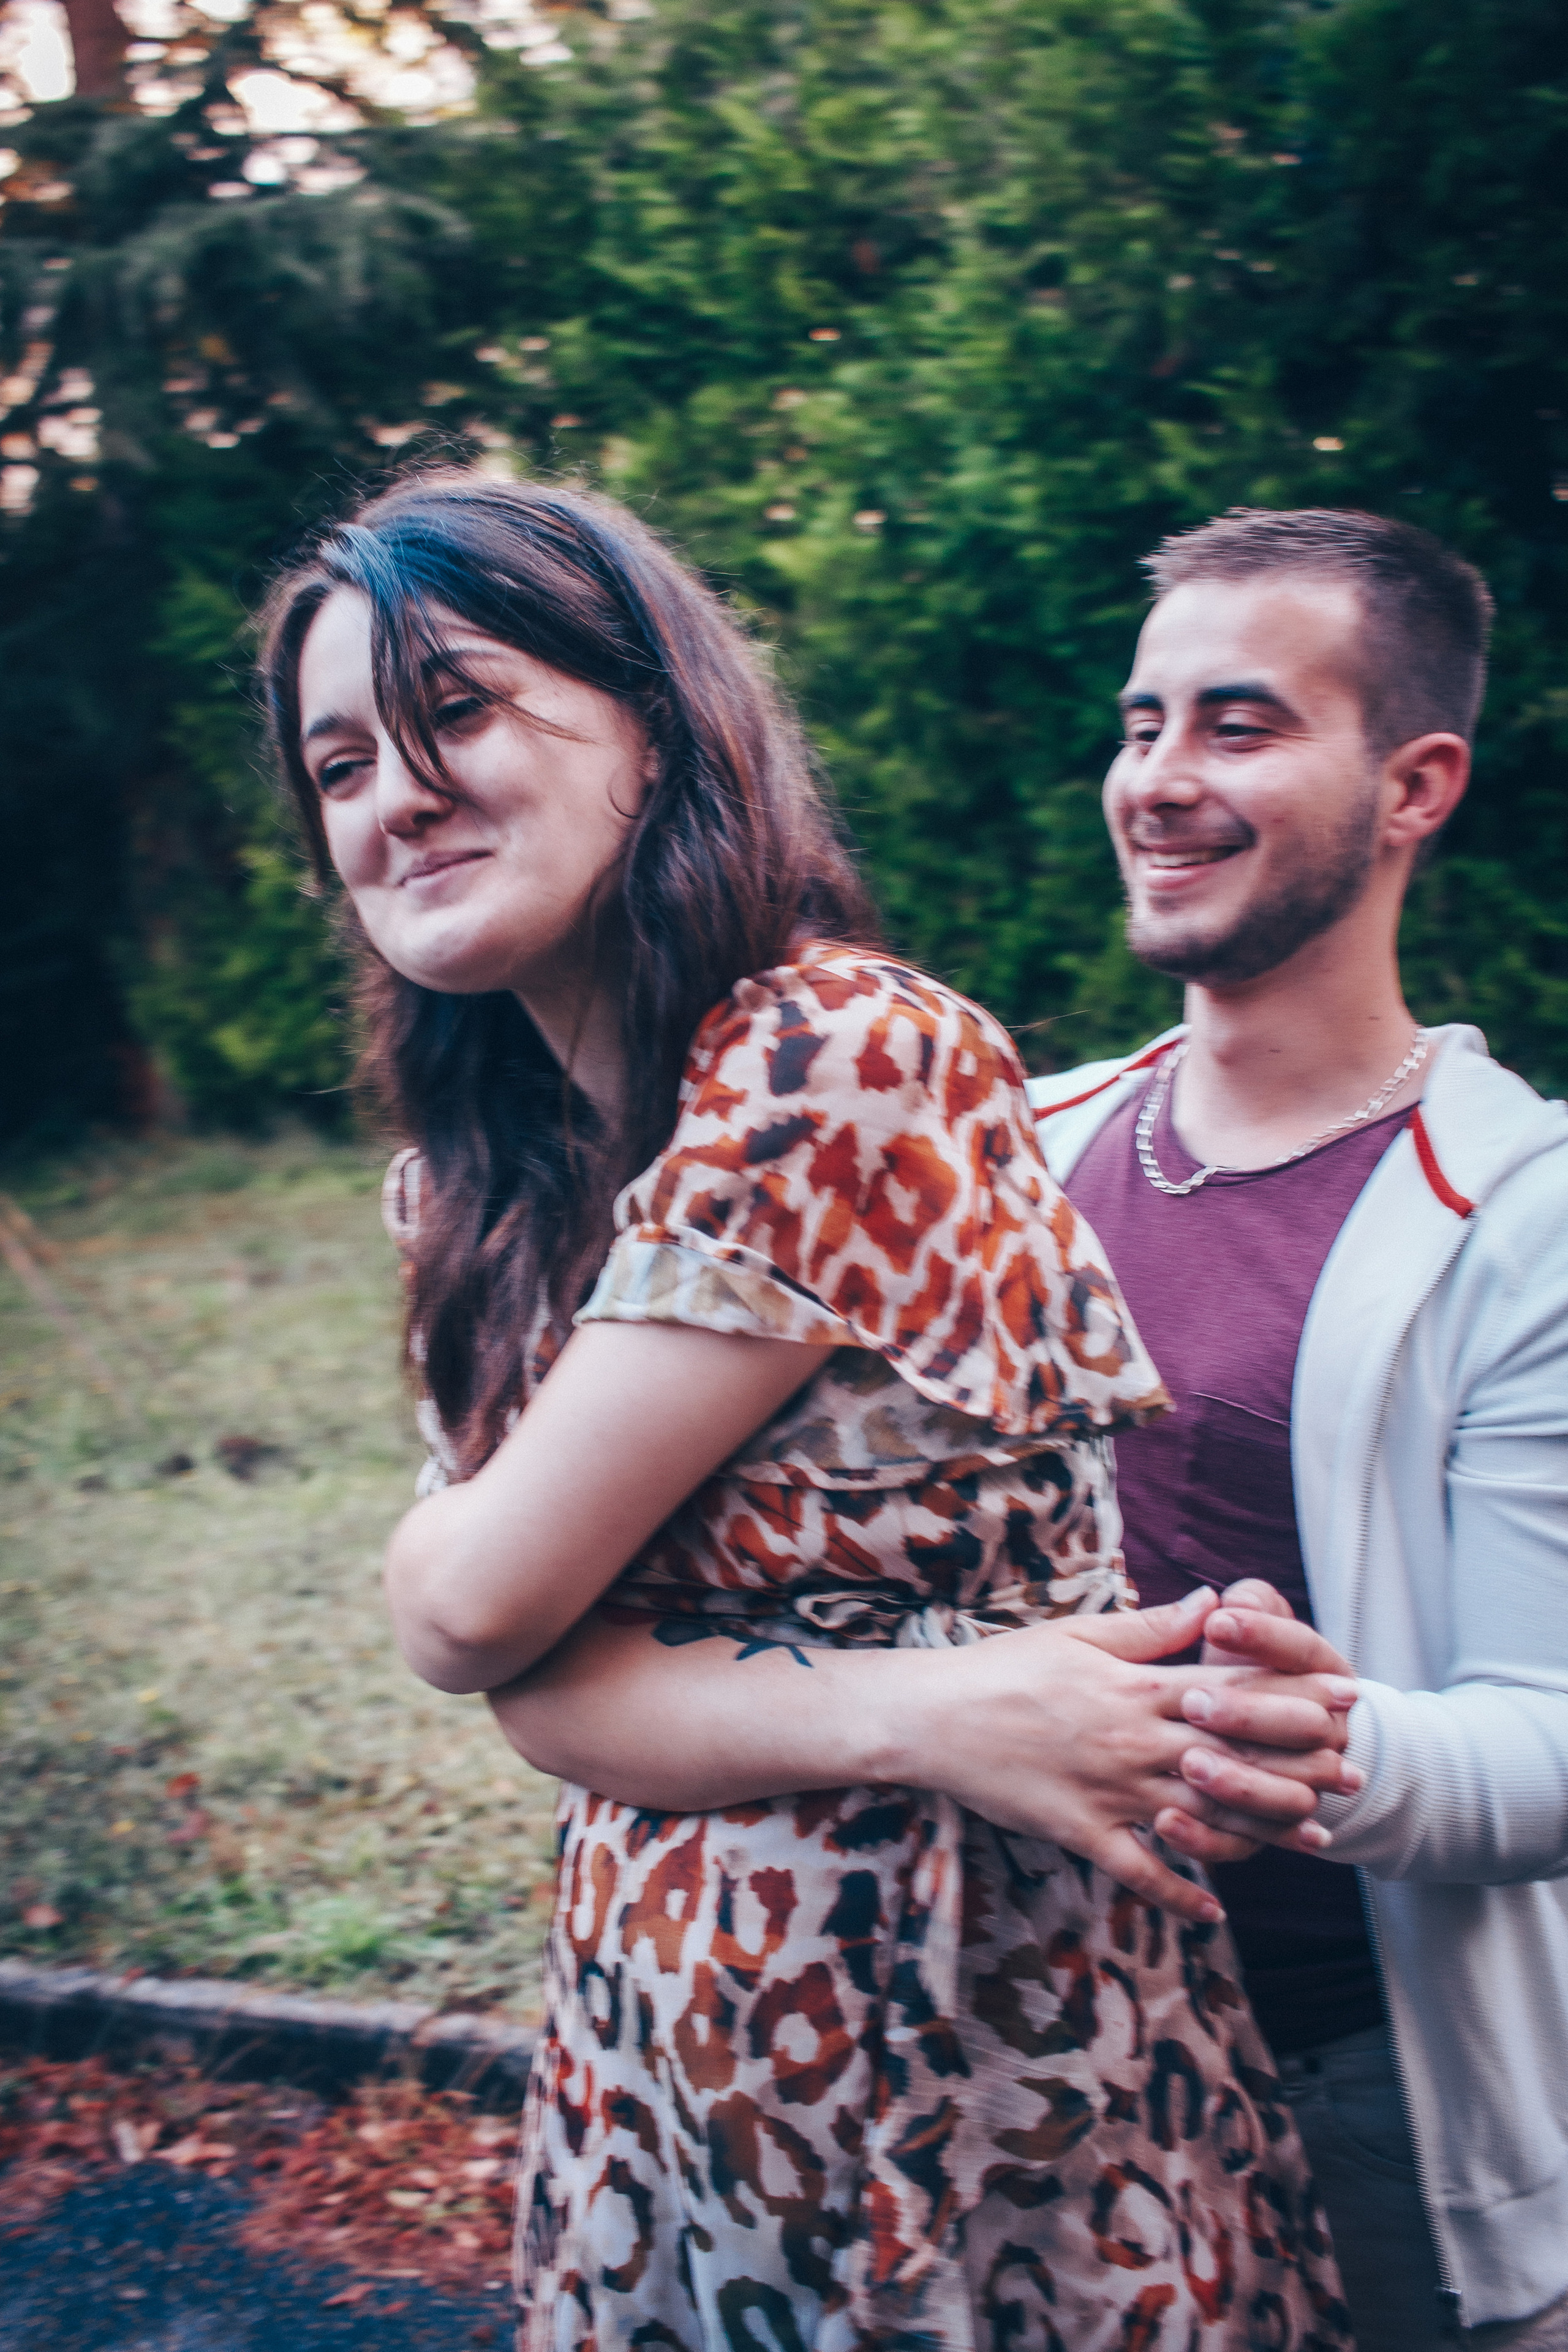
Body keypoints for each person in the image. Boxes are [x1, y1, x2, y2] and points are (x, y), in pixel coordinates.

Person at [261, 471, 1359, 2351]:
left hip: (981, 2054)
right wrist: (932, 1700)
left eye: (456, 711)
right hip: (663, 2047)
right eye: (341, 762)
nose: (396, 796)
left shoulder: (838, 1048)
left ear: (659, 725)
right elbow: (529, 1680)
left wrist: (495, 1595)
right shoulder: (479, 1182)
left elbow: (475, 1608)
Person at [1022, 508, 1568, 2351]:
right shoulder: (1010, 1151)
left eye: (1238, 726)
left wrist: (1328, 1755)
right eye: (1142, 722)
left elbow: (1552, 1742)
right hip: (1008, 2050)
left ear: (1415, 783)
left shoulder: (1526, 1218)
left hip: (1357, 2090)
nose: (1158, 783)